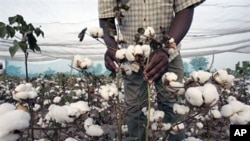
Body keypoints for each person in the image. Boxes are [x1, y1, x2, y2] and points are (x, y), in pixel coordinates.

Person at [98, 0, 205, 140]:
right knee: (135, 111)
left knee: (173, 106)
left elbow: (185, 7)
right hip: (131, 57)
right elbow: (106, 16)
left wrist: (166, 49)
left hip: (170, 55)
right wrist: (112, 47)